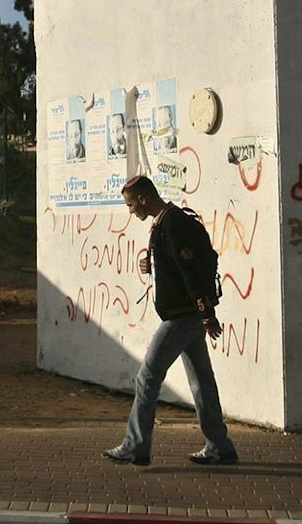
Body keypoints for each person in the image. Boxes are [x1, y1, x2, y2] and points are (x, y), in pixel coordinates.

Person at [102, 175, 239, 467]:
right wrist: (149, 264)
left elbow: (189, 271)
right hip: (188, 317)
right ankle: (219, 445)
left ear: (143, 199)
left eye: (130, 204)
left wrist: (206, 314)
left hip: (181, 319)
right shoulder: (166, 222)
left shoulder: (173, 224)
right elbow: (176, 266)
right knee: (202, 381)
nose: (130, 211)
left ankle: (135, 445)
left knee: (147, 378)